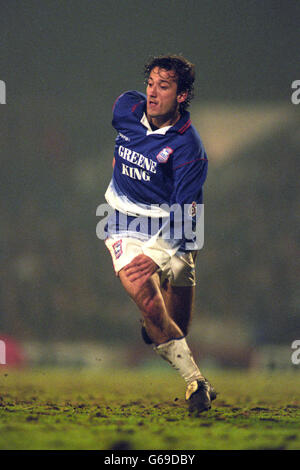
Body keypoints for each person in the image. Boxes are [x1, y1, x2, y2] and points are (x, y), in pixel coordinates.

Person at [104, 55, 216, 413]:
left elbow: (184, 216)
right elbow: (126, 143)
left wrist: (158, 253)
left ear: (181, 96)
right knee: (152, 303)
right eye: (151, 83)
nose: (152, 92)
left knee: (175, 326)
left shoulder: (189, 149)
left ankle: (154, 327)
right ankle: (196, 383)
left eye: (164, 86)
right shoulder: (126, 106)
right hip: (125, 222)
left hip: (178, 227)